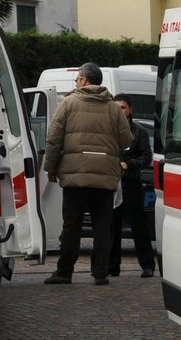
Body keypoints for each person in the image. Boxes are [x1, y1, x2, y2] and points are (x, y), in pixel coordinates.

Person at [42, 63, 133, 285]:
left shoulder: (69, 103)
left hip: (75, 175)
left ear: (83, 80)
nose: (76, 83)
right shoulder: (113, 107)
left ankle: (64, 271)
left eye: (77, 79)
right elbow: (126, 140)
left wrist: (50, 168)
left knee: (71, 225)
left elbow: (54, 139)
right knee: (102, 226)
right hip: (105, 176)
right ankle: (100, 273)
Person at [108, 98, 156, 278]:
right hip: (112, 183)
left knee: (139, 225)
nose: (119, 111)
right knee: (112, 225)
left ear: (130, 109)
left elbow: (146, 157)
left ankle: (147, 265)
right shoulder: (107, 129)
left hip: (131, 183)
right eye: (116, 108)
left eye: (123, 107)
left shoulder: (139, 131)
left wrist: (130, 164)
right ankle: (112, 267)